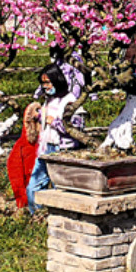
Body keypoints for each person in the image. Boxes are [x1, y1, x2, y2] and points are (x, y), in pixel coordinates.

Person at [26, 65, 80, 211]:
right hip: (46, 147)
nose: (46, 87)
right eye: (43, 83)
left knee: (60, 188)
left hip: (62, 148)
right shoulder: (49, 100)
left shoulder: (70, 101)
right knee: (34, 186)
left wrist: (54, 121)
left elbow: (76, 128)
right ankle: (37, 214)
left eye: (48, 82)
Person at [6, 102, 41, 210]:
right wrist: (22, 199)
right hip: (30, 197)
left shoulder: (46, 143)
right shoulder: (22, 145)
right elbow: (16, 174)